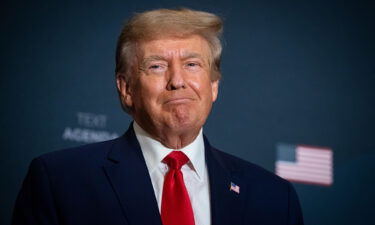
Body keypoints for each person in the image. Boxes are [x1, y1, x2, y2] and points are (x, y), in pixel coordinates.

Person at [12, 8, 304, 225]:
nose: (177, 81)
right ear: (126, 88)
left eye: (192, 64)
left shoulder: (274, 197)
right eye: (156, 66)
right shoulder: (60, 181)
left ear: (213, 85)